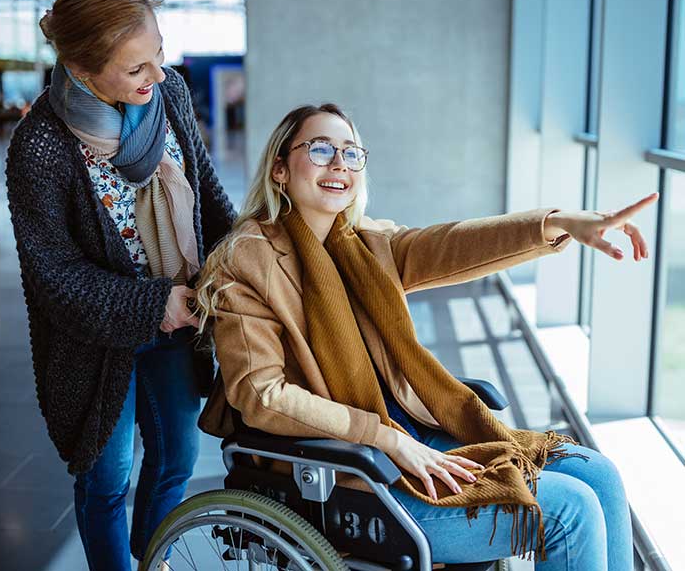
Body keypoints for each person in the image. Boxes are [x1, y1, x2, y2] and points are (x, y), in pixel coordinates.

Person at [195, 102, 657, 570]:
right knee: (570, 509)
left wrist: (556, 224)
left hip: (419, 439)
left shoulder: (365, 242)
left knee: (598, 473)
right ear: (279, 169)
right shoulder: (247, 261)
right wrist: (384, 439)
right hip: (353, 475)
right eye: (320, 149)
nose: (339, 164)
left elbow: (454, 243)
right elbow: (261, 394)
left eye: (351, 153)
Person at [5, 0, 236, 570]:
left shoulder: (171, 95)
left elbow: (207, 197)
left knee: (175, 464)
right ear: (82, 68)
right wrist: (155, 304)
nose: (157, 74)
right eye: (136, 68)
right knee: (106, 483)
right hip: (93, 346)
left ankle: (154, 560)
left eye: (158, 52)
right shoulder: (41, 145)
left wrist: (245, 260)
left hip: (178, 325)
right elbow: (54, 276)